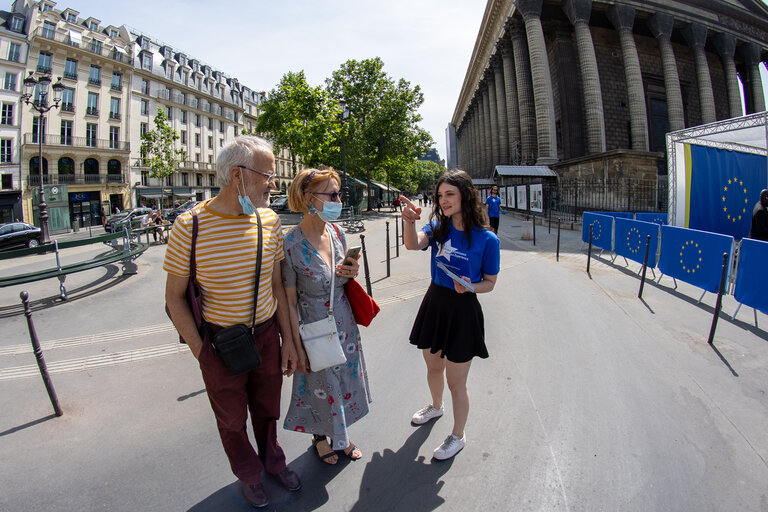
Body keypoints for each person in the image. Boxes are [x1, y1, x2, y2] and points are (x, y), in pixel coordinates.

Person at [164, 135, 300, 508]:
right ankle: (249, 474)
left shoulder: (269, 220)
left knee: (268, 408)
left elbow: (277, 285)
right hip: (220, 343)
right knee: (231, 419)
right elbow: (173, 297)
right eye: (267, 175)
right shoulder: (189, 226)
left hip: (266, 334)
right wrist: (200, 350)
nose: (273, 182)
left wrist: (288, 340)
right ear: (238, 175)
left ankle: (273, 461)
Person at [400, 169, 500, 461]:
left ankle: (458, 435)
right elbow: (412, 243)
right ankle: (435, 406)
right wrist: (409, 221)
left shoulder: (487, 240)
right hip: (435, 302)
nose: (443, 201)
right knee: (433, 367)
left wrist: (470, 287)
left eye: (449, 194)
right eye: (440, 196)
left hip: (463, 309)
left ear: (466, 195)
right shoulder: (437, 228)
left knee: (457, 381)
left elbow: (490, 283)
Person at [281, 167, 371, 465]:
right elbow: (290, 302)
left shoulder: (337, 232)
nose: (338, 200)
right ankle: (320, 436)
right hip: (313, 326)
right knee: (320, 384)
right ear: (309, 199)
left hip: (343, 322)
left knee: (343, 380)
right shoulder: (291, 244)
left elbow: (342, 280)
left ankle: (340, 436)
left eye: (338, 194)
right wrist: (294, 345)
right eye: (331, 195)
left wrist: (351, 272)